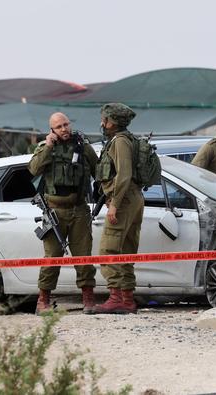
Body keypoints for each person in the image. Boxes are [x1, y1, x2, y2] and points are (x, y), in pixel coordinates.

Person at [28, 112, 98, 315]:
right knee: (52, 257)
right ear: (52, 130)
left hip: (79, 210)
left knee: (83, 256)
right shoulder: (45, 147)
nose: (64, 129)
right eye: (59, 127)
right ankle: (43, 300)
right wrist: (48, 146)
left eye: (66, 124)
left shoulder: (83, 146)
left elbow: (99, 171)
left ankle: (88, 298)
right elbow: (33, 169)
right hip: (55, 212)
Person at [94, 103, 144, 314]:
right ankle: (127, 299)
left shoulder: (121, 142)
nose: (102, 124)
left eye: (105, 120)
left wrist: (114, 204)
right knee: (125, 250)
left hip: (123, 200)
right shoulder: (127, 139)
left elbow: (123, 175)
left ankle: (116, 298)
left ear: (113, 122)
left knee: (108, 250)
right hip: (132, 197)